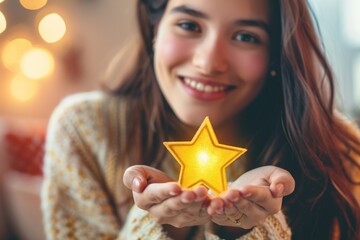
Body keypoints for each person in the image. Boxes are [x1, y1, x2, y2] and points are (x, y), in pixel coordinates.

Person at [41, 0, 360, 239]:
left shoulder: (338, 152)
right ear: (155, 28)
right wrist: (155, 227)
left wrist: (257, 231)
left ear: (276, 53)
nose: (208, 62)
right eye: (189, 26)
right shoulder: (84, 130)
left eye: (246, 37)